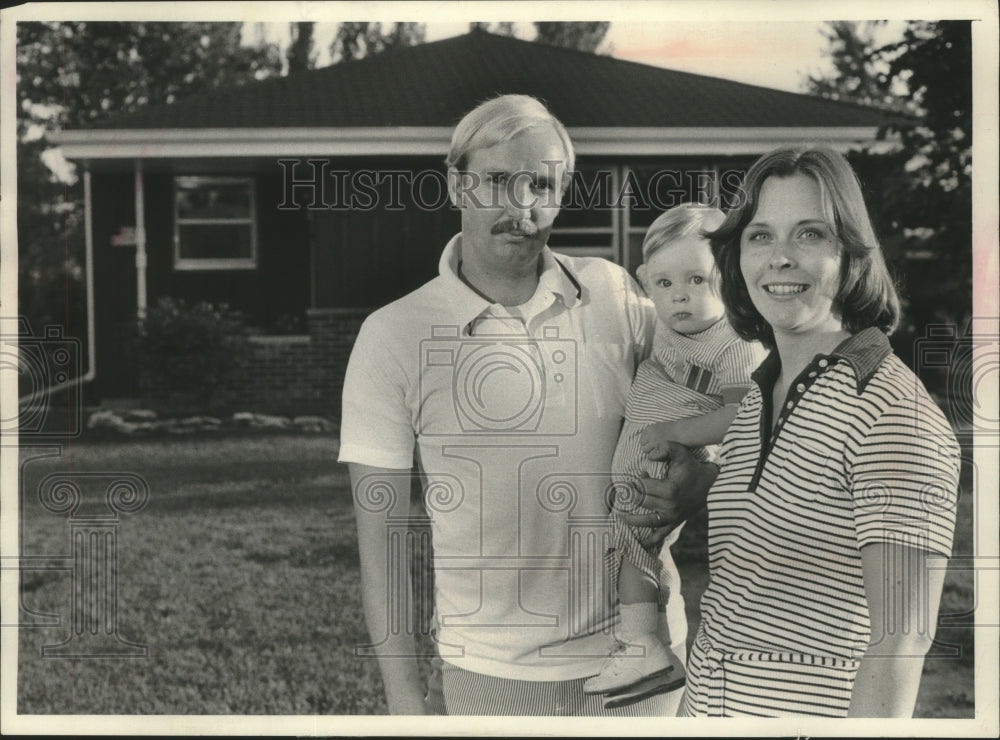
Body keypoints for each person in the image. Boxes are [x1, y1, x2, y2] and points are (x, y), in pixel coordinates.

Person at [339, 94, 711, 716]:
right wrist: (406, 703)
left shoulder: (615, 294)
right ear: (457, 184)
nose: (522, 208)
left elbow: (711, 391)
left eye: (541, 184)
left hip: (639, 664)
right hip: (486, 673)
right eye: (497, 182)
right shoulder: (393, 334)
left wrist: (700, 471)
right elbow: (381, 543)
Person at [623, 146, 960, 718]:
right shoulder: (758, 392)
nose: (780, 258)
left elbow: (900, 644)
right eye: (760, 236)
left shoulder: (893, 414)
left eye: (810, 234)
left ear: (851, 252)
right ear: (735, 257)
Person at [582, 204, 767, 705]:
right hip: (644, 448)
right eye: (663, 283)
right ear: (645, 282)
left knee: (636, 539)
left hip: (663, 457)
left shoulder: (735, 343)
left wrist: (678, 430)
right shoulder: (665, 322)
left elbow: (744, 415)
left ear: (729, 278)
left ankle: (643, 645)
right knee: (633, 546)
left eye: (697, 280)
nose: (680, 295)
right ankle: (648, 643)